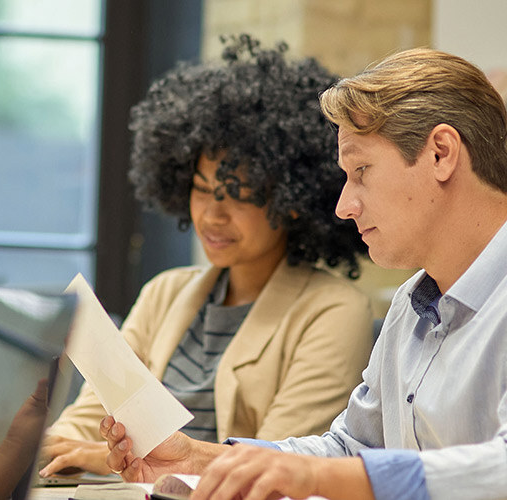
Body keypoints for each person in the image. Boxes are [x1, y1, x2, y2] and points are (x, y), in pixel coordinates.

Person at [101, 46, 507, 500]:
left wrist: (314, 479)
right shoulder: (409, 306)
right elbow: (351, 448)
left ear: (440, 153)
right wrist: (203, 459)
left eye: (361, 170)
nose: (344, 205)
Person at [39, 34, 372, 478]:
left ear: (293, 200)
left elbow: (280, 464)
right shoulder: (165, 292)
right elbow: (87, 422)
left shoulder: (332, 312)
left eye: (239, 195)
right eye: (201, 191)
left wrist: (103, 459)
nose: (212, 215)